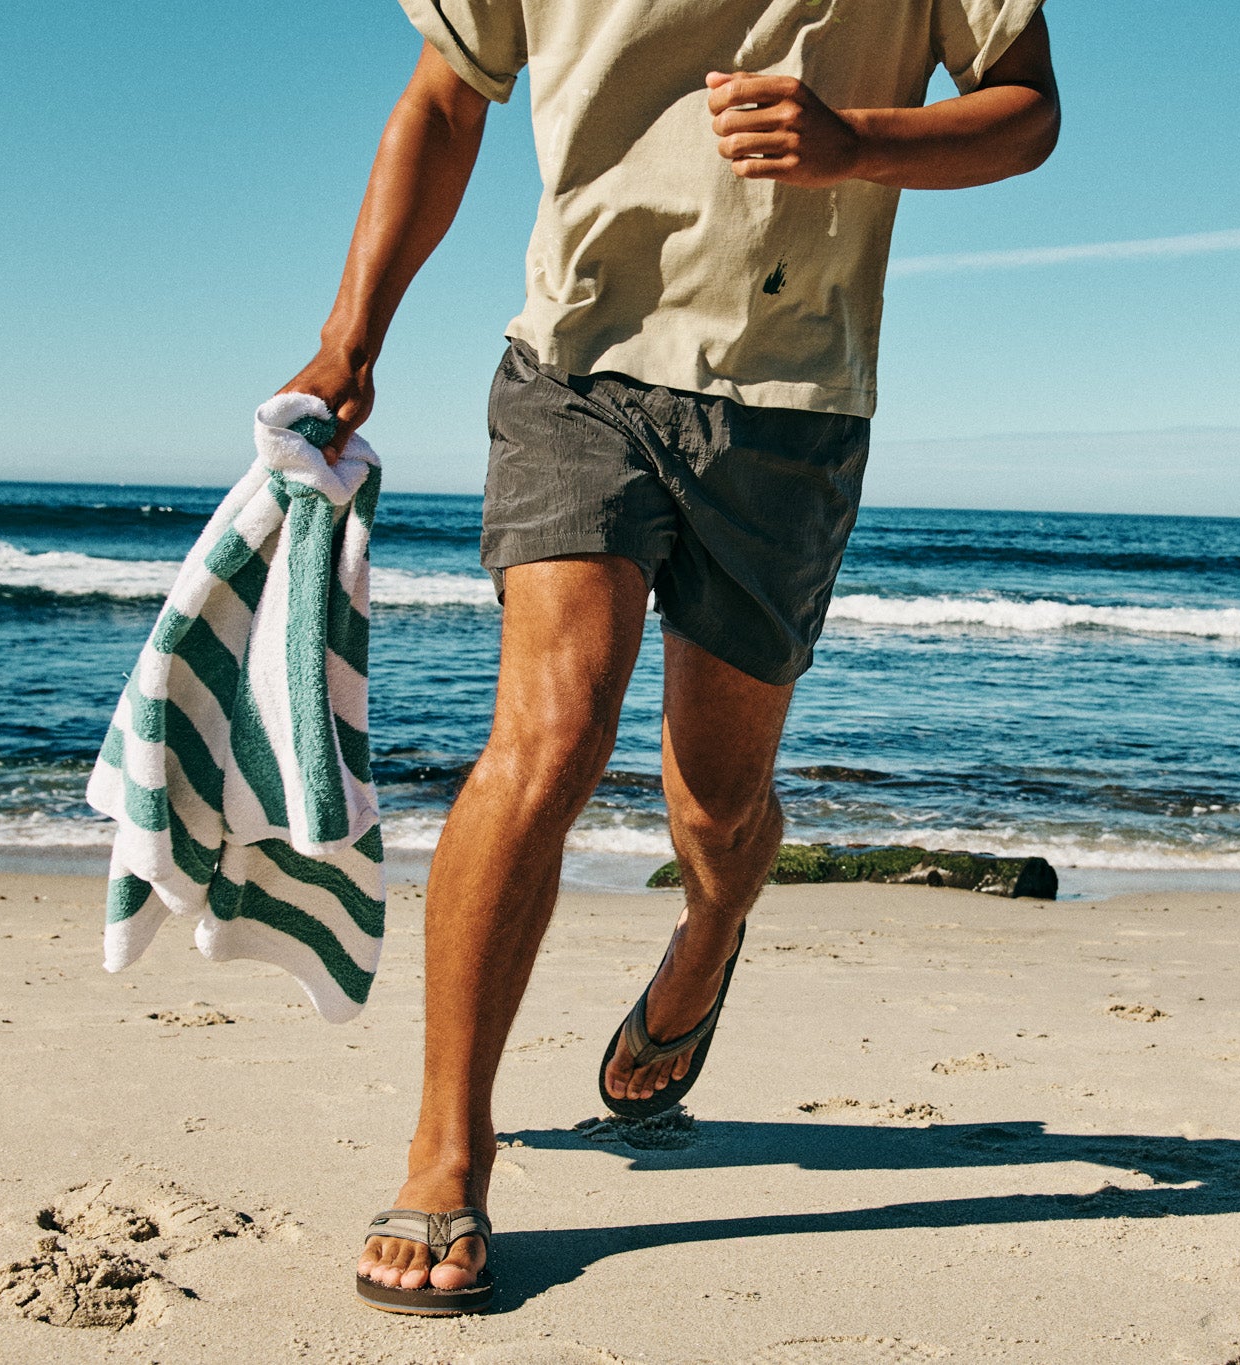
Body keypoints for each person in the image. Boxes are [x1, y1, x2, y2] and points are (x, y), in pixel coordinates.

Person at [280, 0, 1060, 1315]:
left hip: (796, 405)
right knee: (553, 729)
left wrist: (856, 139)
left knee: (714, 799)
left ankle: (710, 924)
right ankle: (445, 1150)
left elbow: (1026, 106)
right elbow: (445, 91)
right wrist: (354, 333)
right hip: (577, 367)